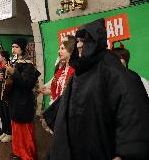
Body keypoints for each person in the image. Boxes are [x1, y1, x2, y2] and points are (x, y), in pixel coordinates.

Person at [46, 18, 149, 160]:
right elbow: (70, 102)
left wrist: (124, 154)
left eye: (85, 40)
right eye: (78, 40)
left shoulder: (115, 73)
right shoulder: (80, 72)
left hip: (100, 149)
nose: (80, 45)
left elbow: (132, 115)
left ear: (96, 42)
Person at [5, 38, 41, 160]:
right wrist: (3, 77)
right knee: (16, 128)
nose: (13, 49)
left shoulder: (29, 65)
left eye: (16, 46)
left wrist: (13, 72)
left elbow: (26, 84)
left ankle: (27, 154)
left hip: (24, 101)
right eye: (12, 46)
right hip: (16, 100)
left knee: (24, 129)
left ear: (22, 48)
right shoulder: (16, 61)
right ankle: (18, 151)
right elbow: (13, 81)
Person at [0, 50, 12, 143]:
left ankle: (10, 133)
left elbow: (10, 81)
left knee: (7, 114)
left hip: (6, 95)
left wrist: (4, 78)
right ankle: (5, 131)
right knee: (2, 114)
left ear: (4, 57)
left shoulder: (8, 66)